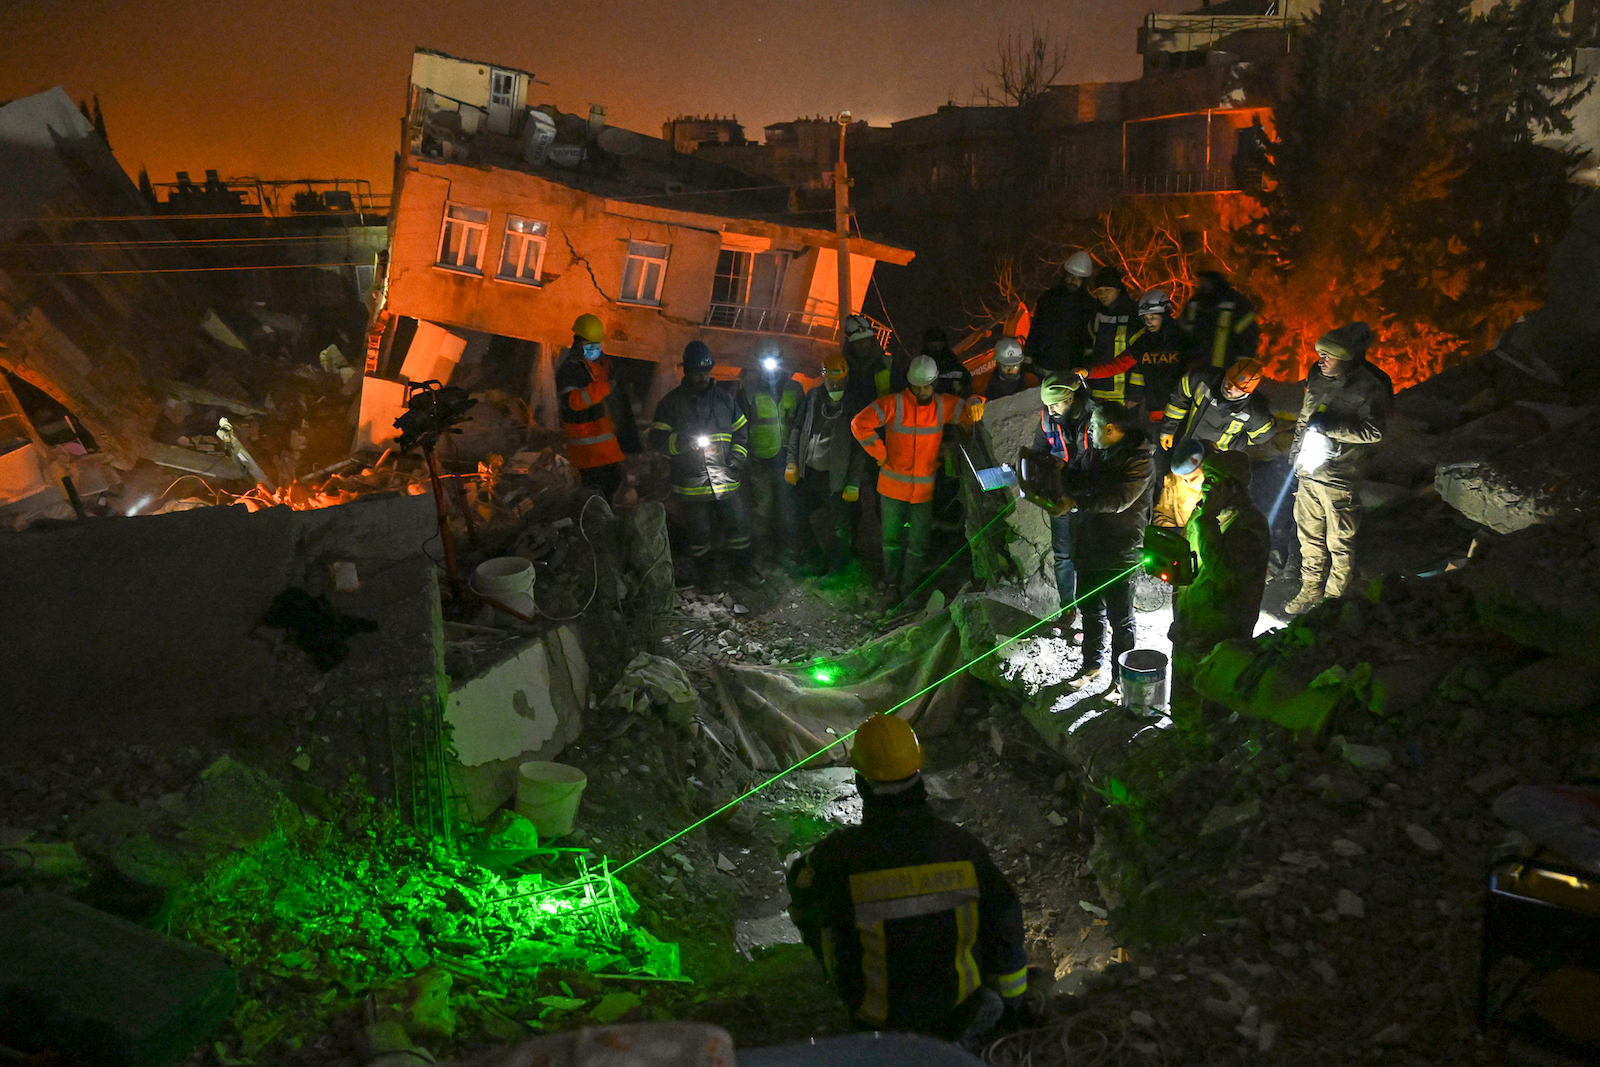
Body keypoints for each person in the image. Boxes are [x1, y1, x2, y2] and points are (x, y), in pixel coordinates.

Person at [787, 714, 1030, 1046]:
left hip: (879, 1023)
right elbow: (1005, 924)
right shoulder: (963, 850)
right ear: (919, 774)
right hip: (959, 1017)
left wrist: (829, 956)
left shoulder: (837, 859)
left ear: (860, 783)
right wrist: (1013, 1007)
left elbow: (801, 889)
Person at [1026, 401, 1154, 689]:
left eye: (1094, 427)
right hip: (1089, 540)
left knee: (1121, 617)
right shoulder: (1097, 452)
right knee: (1091, 608)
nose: (1090, 431)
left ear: (1110, 429)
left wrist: (1077, 503)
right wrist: (1060, 471)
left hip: (1120, 547)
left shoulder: (1140, 461)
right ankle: (1091, 665)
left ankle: (1122, 681)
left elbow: (1119, 500)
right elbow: (1079, 477)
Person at [851, 355, 982, 602]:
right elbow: (859, 423)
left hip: (922, 491)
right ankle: (891, 584)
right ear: (909, 382)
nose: (923, 390)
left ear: (934, 383)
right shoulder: (893, 403)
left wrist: (977, 400)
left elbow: (969, 410)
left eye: (928, 385)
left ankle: (907, 587)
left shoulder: (942, 406)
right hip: (891, 489)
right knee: (892, 540)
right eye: (918, 385)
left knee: (917, 543)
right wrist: (879, 454)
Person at [1285, 323, 1393, 614]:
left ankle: (1332, 603)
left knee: (1340, 542)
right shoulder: (1317, 378)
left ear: (1346, 358)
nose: (1321, 361)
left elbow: (1375, 432)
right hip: (1309, 473)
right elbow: (1305, 418)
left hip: (1340, 478)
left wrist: (1333, 427)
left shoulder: (1371, 387)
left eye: (1327, 356)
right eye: (1320, 354)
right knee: (1309, 538)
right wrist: (1295, 455)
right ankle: (1309, 590)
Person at [1168, 450, 1270, 717]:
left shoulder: (1249, 525)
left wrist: (1207, 522)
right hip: (1189, 627)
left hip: (1219, 634)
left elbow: (1223, 573)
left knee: (1209, 708)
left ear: (1233, 486)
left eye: (1213, 479)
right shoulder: (1203, 513)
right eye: (1206, 478)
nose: (1205, 486)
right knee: (1182, 704)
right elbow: (1188, 563)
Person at [648, 341, 756, 588]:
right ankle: (707, 578)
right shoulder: (671, 403)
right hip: (691, 483)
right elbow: (657, 439)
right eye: (696, 373)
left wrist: (737, 460)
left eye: (705, 372)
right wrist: (682, 442)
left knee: (738, 529)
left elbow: (742, 431)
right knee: (699, 536)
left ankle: (744, 571)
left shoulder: (725, 400)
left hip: (726, 479)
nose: (702, 377)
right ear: (686, 371)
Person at [787, 352, 871, 576]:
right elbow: (798, 430)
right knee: (799, 514)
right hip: (810, 473)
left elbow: (860, 448)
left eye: (839, 380)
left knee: (840, 525)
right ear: (823, 377)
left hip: (836, 477)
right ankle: (815, 558)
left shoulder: (853, 404)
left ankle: (840, 567)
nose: (835, 384)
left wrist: (853, 482)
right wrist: (792, 464)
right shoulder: (813, 397)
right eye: (831, 380)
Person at [1029, 375, 1093, 641]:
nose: (1051, 411)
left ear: (1070, 398)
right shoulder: (1047, 419)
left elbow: (1098, 459)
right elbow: (1038, 451)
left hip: (1090, 500)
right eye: (1048, 405)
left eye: (1055, 405)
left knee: (1090, 558)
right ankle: (1069, 611)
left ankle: (1094, 618)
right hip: (1061, 497)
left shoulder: (1094, 417)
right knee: (1063, 556)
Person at [554, 313, 641, 496]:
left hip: (607, 449)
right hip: (587, 452)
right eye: (590, 345)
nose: (595, 349)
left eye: (597, 344)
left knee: (613, 488)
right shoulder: (569, 371)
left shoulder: (604, 365)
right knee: (596, 495)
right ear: (578, 343)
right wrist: (606, 386)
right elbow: (574, 402)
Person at [738, 357, 804, 565]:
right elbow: (739, 427)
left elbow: (802, 424)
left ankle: (784, 553)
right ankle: (759, 553)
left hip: (787, 461)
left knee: (786, 510)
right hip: (760, 462)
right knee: (762, 511)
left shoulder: (795, 389)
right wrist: (745, 458)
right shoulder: (748, 390)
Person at [1159, 358, 1274, 454]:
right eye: (1229, 381)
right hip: (1186, 447)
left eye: (1238, 389)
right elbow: (1178, 401)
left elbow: (1261, 436)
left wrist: (1235, 446)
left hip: (1216, 461)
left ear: (1247, 392)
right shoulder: (1202, 379)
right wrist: (1168, 430)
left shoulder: (1256, 413)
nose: (1229, 388)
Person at [1024, 250, 1098, 378]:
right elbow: (1036, 328)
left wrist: (1086, 366)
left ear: (1084, 280)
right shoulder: (1048, 298)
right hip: (1043, 366)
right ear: (1065, 275)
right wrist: (1028, 358)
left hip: (1070, 369)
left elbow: (1089, 340)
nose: (1073, 281)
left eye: (1078, 278)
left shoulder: (1090, 305)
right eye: (1070, 276)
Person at [1121, 289, 1189, 426]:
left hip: (1181, 412)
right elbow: (1127, 367)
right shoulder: (1144, 342)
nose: (1148, 323)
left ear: (1166, 314)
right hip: (1154, 410)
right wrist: (1089, 372)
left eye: (1152, 317)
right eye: (1145, 318)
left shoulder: (1184, 340)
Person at [1075, 267, 1141, 406]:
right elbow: (1088, 350)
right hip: (1095, 390)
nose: (1102, 295)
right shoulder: (1094, 315)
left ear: (1118, 290)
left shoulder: (1134, 316)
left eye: (1107, 290)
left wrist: (1135, 394)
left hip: (1124, 395)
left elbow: (1139, 359)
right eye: (1099, 291)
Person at [1179, 269, 1260, 371]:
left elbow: (1249, 338)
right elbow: (1181, 334)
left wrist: (1239, 368)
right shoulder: (1195, 303)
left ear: (1216, 281)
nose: (1201, 285)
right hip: (1197, 370)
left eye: (1205, 280)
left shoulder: (1239, 305)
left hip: (1227, 372)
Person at [1152, 440, 1207, 529]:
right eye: (1184, 478)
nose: (1188, 482)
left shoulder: (1220, 488)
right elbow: (1163, 513)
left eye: (1194, 478)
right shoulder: (1174, 480)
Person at [843, 314, 894, 397]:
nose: (863, 346)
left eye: (866, 340)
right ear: (849, 344)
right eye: (858, 342)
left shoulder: (887, 364)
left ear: (871, 339)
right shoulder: (842, 367)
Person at [974, 337, 1039, 400]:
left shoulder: (1030, 380)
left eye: (1015, 366)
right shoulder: (982, 383)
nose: (1010, 370)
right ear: (997, 364)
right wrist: (975, 400)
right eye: (1006, 366)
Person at [921, 326, 972, 397]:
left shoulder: (955, 368)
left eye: (939, 346)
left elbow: (968, 388)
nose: (936, 351)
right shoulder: (918, 370)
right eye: (933, 347)